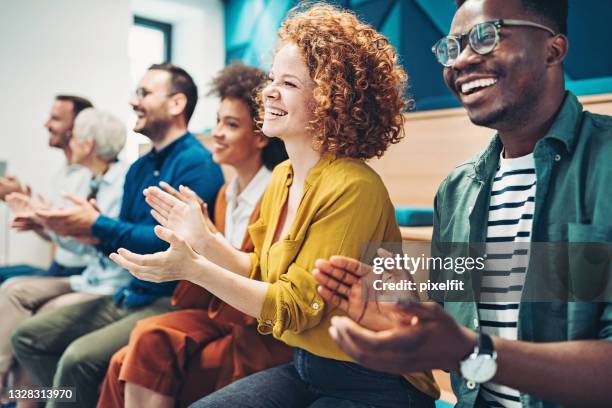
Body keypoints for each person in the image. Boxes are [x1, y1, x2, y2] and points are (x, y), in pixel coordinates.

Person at [111, 4, 439, 408]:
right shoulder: (283, 176)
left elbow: (296, 308)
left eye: (289, 83)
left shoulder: (354, 186)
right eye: (272, 79)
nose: (268, 92)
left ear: (332, 99)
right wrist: (205, 241)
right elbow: (264, 272)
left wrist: (193, 268)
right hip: (307, 365)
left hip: (373, 378)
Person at [314, 0, 612, 407]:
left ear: (553, 49)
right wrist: (401, 316)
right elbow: (456, 336)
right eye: (452, 48)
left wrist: (474, 351)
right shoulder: (457, 190)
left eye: (486, 37)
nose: (463, 61)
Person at [11, 64, 224, 408]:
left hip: (165, 299)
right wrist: (79, 228)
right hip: (129, 292)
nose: (132, 101)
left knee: (77, 358)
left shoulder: (195, 164)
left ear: (176, 104)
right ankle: (68, 398)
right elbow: (123, 238)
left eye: (144, 93)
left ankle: (55, 398)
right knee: (28, 337)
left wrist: (95, 225)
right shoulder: (140, 168)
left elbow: (169, 245)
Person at [97, 62, 291, 408]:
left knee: (146, 339)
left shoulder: (275, 194)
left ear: (260, 136)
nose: (216, 132)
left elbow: (262, 278)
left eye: (230, 125)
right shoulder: (223, 195)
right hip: (219, 309)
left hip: (252, 323)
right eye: (217, 121)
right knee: (119, 362)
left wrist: (206, 238)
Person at [0, 108, 129, 407]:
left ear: (89, 145)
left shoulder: (123, 183)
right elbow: (80, 243)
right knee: (12, 289)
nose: (72, 141)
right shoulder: (88, 179)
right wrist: (45, 223)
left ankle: (26, 400)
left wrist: (52, 224)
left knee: (36, 324)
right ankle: (9, 389)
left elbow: (98, 242)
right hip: (87, 277)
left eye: (76, 136)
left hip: (108, 283)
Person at [0, 95, 93, 282]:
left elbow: (75, 236)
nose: (46, 124)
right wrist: (21, 200)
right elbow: (52, 234)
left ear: (76, 128)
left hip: (79, 271)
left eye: (55, 119)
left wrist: (39, 216)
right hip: (57, 267)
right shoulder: (62, 173)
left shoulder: (91, 176)